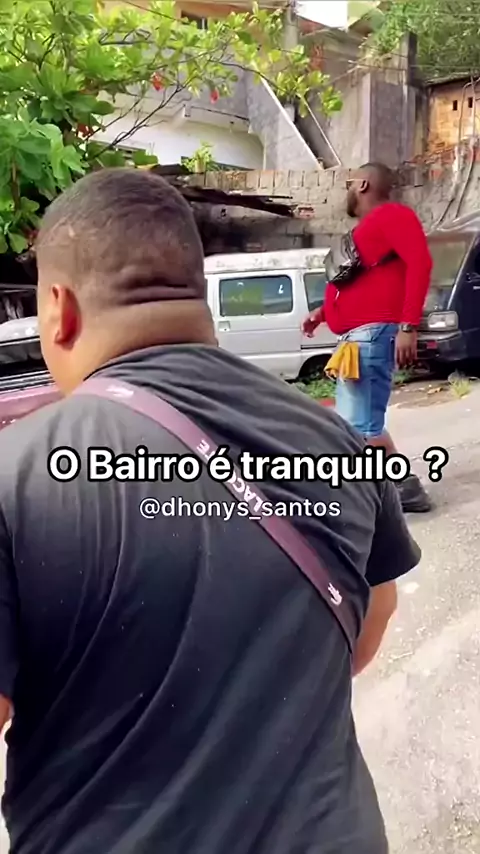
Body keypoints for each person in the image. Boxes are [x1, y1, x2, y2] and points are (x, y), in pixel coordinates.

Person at [0, 168, 421, 854]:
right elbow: (373, 619)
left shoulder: (15, 475)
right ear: (198, 290)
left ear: (57, 309)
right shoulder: (342, 442)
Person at [303, 162, 433, 514]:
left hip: (372, 335)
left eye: (349, 182)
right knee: (363, 424)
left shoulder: (393, 215)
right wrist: (323, 313)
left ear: (362, 184)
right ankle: (404, 489)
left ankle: (361, 503)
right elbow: (363, 285)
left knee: (356, 428)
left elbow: (420, 264)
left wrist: (409, 326)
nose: (346, 189)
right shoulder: (369, 230)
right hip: (359, 337)